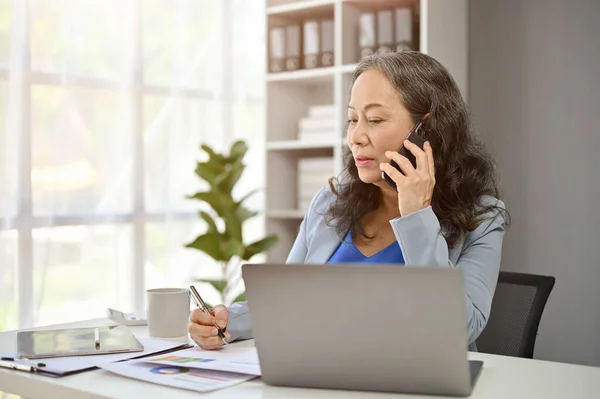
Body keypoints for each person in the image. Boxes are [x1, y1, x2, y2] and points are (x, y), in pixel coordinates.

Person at [188, 51, 509, 351]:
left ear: (427, 130)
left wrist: (417, 215)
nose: (356, 136)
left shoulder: (482, 216)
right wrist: (229, 321)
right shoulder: (329, 202)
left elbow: (457, 328)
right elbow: (289, 300)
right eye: (353, 119)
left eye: (376, 120)